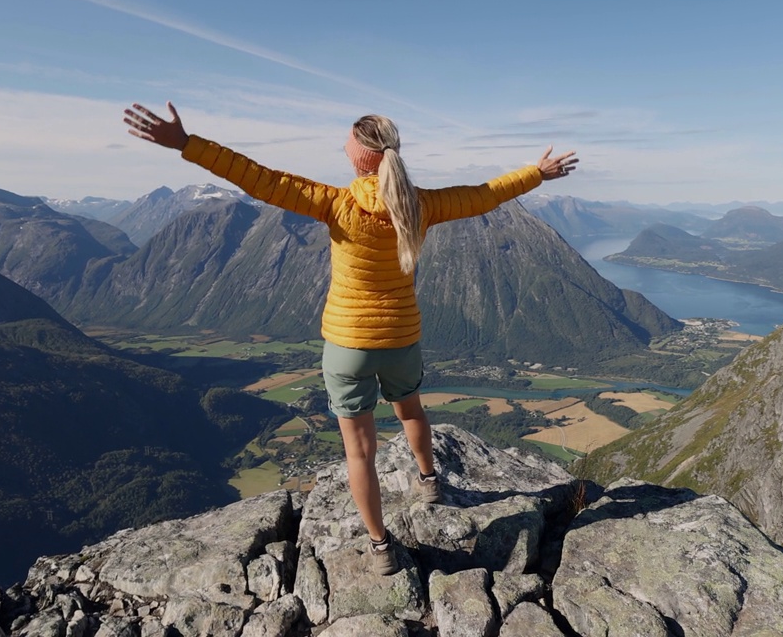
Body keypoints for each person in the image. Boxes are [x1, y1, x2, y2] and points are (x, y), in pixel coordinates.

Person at [123, 102, 577, 575]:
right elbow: (484, 194)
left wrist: (186, 144)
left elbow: (257, 177)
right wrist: (536, 173)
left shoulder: (334, 202)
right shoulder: (422, 205)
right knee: (412, 409)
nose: (342, 143)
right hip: (401, 338)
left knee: (359, 452)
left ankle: (381, 548)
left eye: (347, 140)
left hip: (348, 347)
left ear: (361, 156)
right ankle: (429, 481)